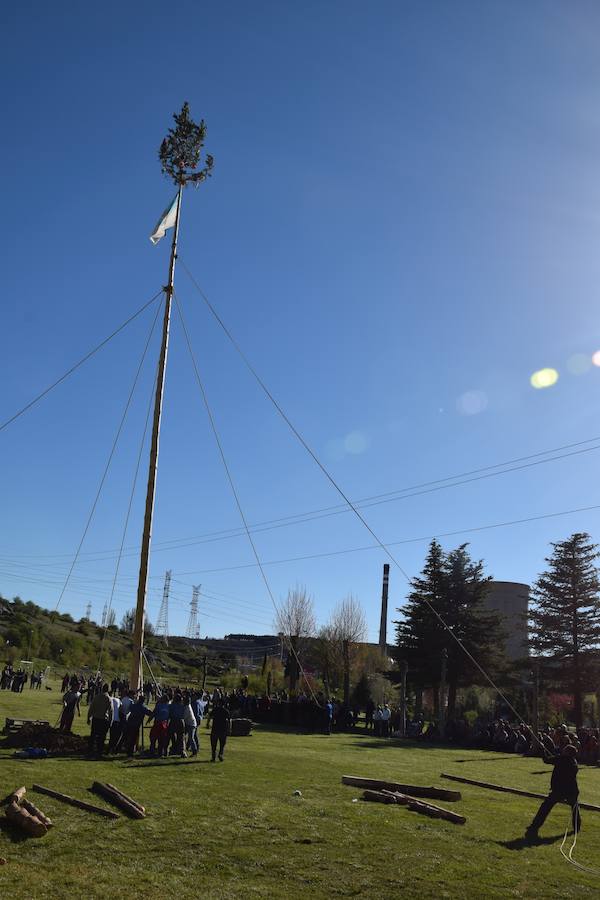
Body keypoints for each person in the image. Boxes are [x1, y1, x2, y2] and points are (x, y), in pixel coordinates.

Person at [526, 744, 581, 839]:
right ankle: (577, 827)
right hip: (572, 790)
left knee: (545, 807)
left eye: (564, 750)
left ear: (567, 752)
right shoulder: (573, 761)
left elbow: (546, 760)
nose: (563, 750)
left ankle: (534, 826)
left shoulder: (562, 759)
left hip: (560, 790)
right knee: (574, 808)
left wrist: (542, 749)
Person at [87, 683, 113, 757]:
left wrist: (88, 717)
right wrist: (110, 721)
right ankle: (99, 751)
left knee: (93, 735)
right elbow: (111, 711)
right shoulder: (108, 698)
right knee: (102, 737)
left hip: (95, 719)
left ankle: (90, 750)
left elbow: (91, 708)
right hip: (103, 720)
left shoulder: (96, 697)